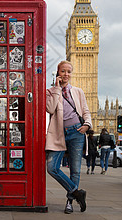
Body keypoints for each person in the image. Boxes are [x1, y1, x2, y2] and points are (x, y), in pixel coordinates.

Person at [46, 60, 92, 214]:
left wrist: (87, 125)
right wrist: (57, 88)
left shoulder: (78, 91)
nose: (66, 74)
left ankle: (70, 202)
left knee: (75, 170)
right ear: (58, 73)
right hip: (58, 134)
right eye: (63, 71)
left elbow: (85, 111)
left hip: (76, 132)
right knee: (52, 168)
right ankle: (77, 192)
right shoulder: (50, 91)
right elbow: (50, 108)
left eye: (69, 72)